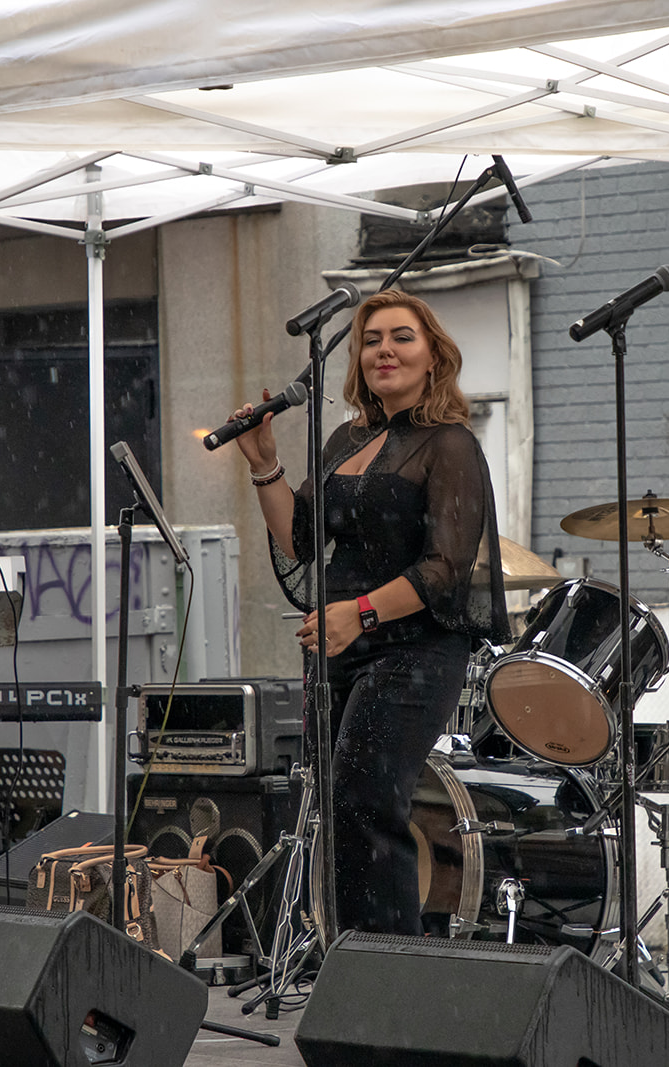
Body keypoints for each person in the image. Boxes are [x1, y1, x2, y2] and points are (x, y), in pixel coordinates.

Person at [227, 288, 509, 935]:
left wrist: (360, 612)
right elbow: (298, 539)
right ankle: (350, 955)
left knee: (367, 803)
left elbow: (445, 567)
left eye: (402, 337)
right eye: (372, 340)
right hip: (340, 650)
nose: (385, 349)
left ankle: (388, 968)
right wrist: (265, 463)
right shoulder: (345, 438)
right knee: (334, 808)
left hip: (414, 651)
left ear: (434, 355)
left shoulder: (450, 444)